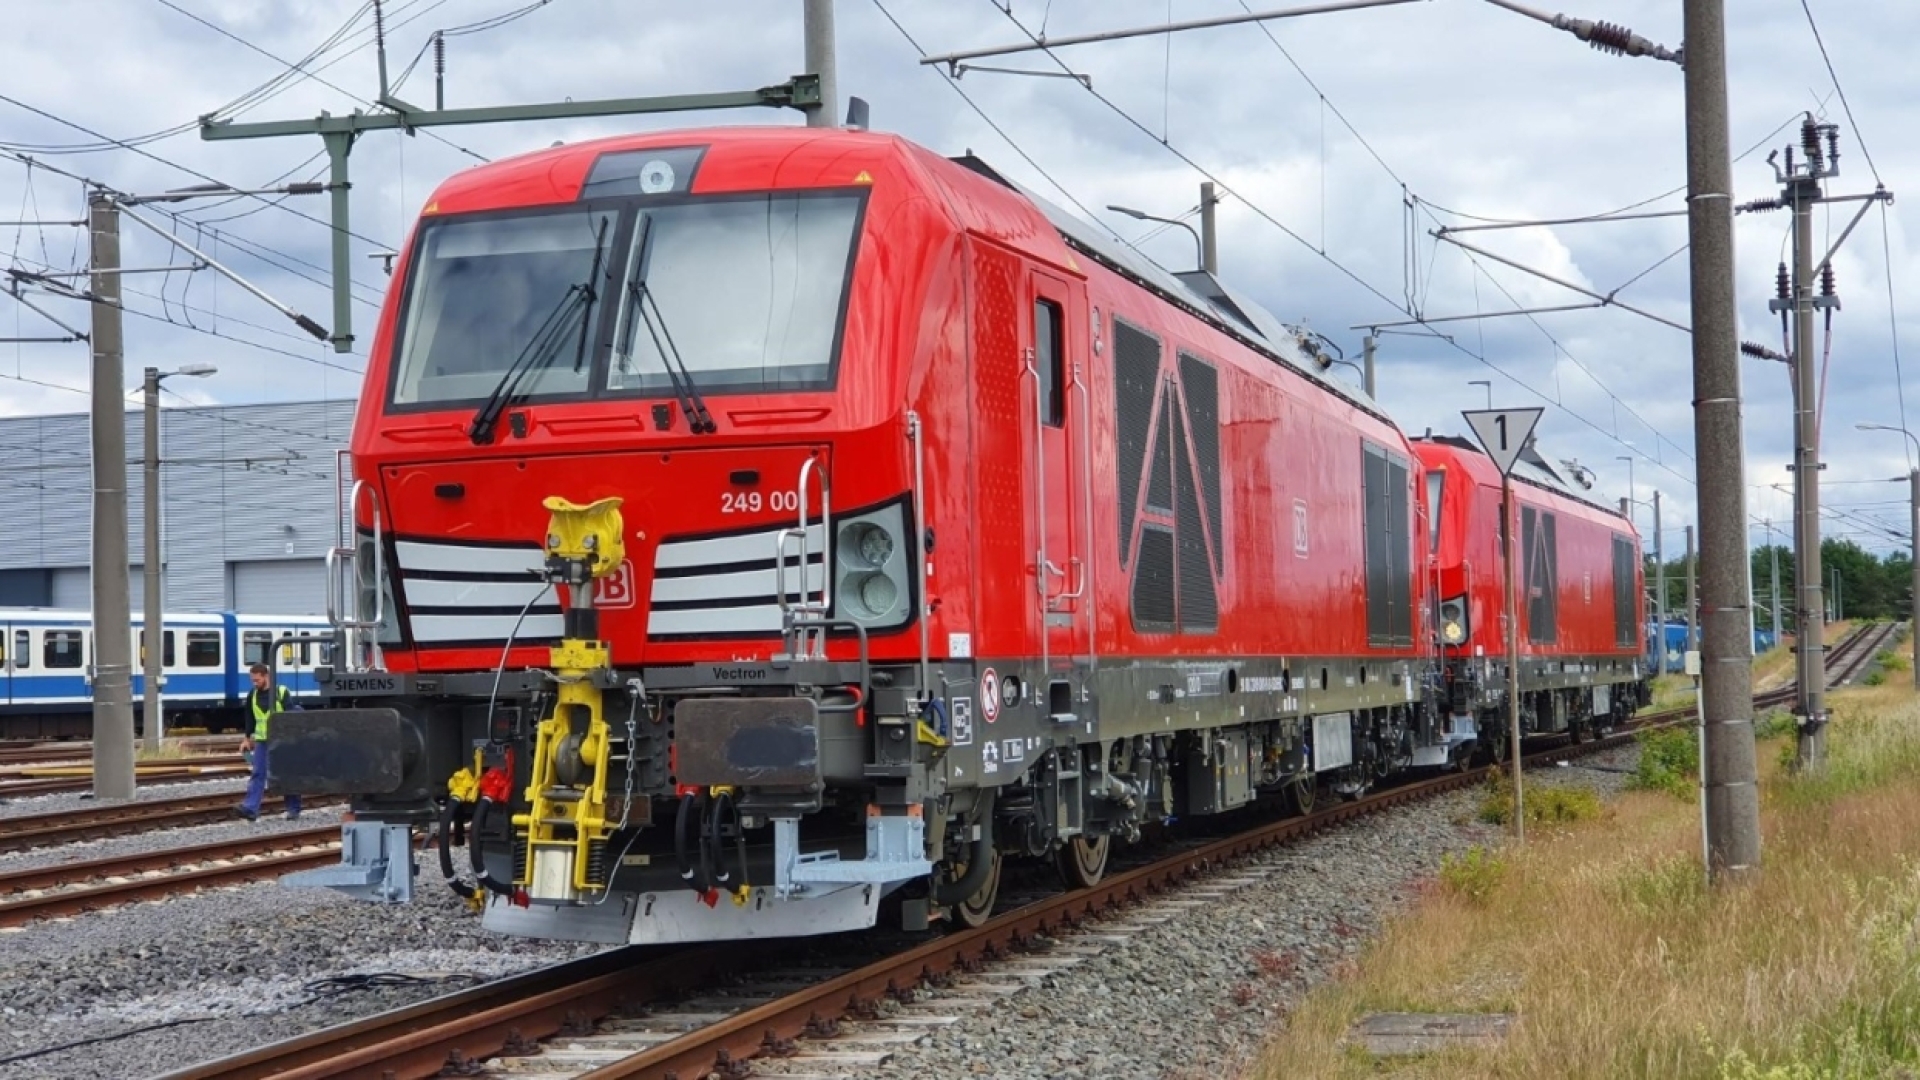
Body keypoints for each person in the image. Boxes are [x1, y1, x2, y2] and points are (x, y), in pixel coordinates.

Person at [236, 663, 302, 821]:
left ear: (266, 676)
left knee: (286, 774)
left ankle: (293, 809)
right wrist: (246, 738)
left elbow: (290, 715)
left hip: (282, 741)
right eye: (252, 680)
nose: (254, 683)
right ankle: (250, 809)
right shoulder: (252, 695)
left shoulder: (281, 692)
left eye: (257, 680)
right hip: (262, 741)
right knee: (258, 773)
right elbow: (250, 717)